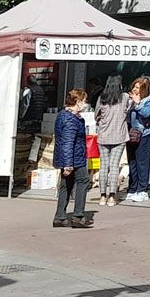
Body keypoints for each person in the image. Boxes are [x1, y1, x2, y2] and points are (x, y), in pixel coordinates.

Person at [54, 89, 93, 228]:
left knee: (66, 184)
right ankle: (78, 215)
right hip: (75, 157)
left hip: (68, 156)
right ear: (77, 102)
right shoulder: (71, 119)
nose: (85, 104)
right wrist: (68, 164)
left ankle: (60, 216)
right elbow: (68, 142)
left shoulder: (64, 115)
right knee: (83, 181)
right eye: (84, 101)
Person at [94, 76, 130, 206]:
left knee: (104, 165)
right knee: (114, 166)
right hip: (119, 135)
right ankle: (112, 196)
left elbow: (96, 115)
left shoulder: (102, 98)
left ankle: (102, 196)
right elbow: (129, 109)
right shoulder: (124, 97)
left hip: (103, 135)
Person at [124, 77, 150, 203]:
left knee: (142, 162)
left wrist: (137, 104)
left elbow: (146, 114)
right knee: (132, 162)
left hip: (144, 135)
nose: (134, 89)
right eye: (134, 87)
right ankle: (132, 188)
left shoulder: (148, 101)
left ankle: (142, 190)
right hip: (131, 133)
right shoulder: (131, 101)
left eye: (137, 87)